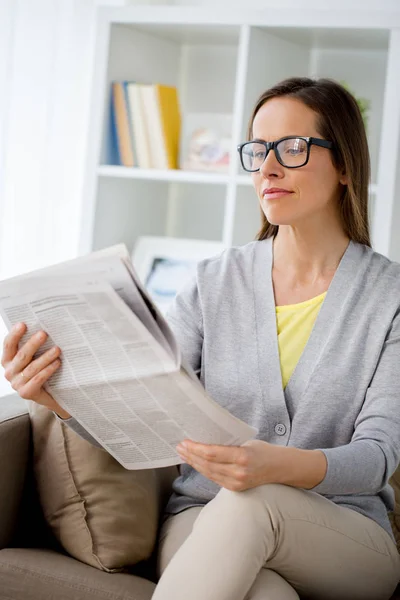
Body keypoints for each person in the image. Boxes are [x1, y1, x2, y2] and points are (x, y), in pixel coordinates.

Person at [2, 77, 400, 600]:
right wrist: (63, 401)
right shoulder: (212, 282)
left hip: (346, 534)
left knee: (251, 502)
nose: (268, 168)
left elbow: (378, 455)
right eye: (258, 151)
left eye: (293, 149)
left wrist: (274, 467)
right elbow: (150, 423)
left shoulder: (389, 297)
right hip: (202, 517)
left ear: (345, 164)